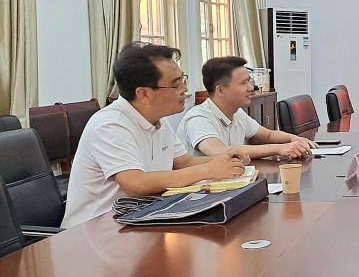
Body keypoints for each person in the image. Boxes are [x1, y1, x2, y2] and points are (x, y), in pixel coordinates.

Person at [62, 43, 248, 228]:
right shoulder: (111, 124)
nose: (184, 89)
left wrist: (226, 159)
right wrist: (208, 170)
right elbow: (136, 184)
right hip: (96, 231)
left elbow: (184, 162)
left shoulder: (158, 120)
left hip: (145, 218)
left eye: (183, 79)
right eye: (176, 84)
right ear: (144, 93)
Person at [178, 56, 318, 158]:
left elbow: (268, 135)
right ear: (220, 90)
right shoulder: (199, 118)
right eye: (243, 83)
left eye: (249, 81)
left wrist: (294, 139)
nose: (251, 88)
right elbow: (220, 152)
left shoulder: (236, 113)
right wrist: (279, 149)